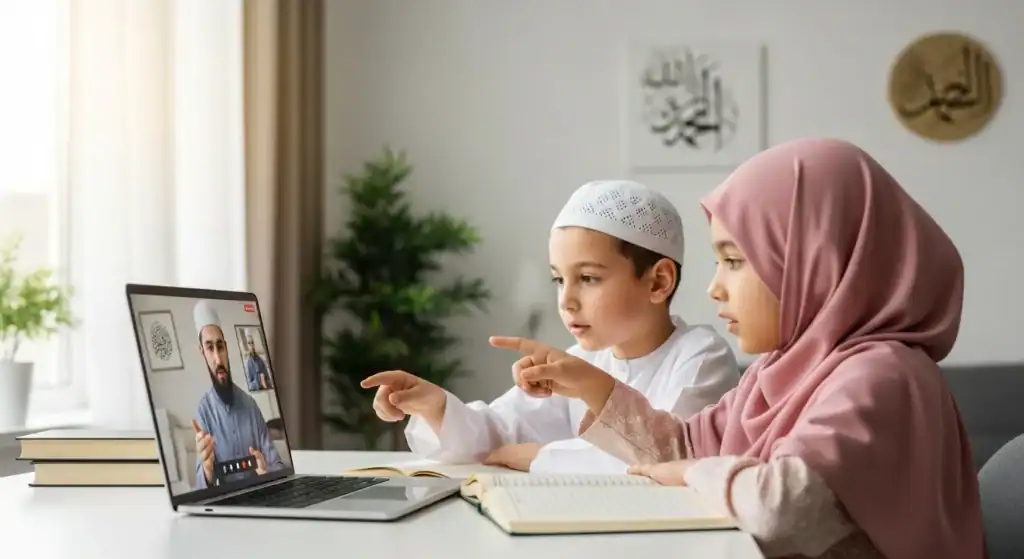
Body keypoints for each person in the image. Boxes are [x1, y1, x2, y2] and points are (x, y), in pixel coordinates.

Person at [489, 139, 986, 558]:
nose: (714, 289)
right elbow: (689, 444)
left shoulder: (881, 374)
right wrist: (592, 384)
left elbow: (781, 504)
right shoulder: (783, 369)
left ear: (813, 260)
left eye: (733, 261)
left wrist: (692, 475)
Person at [361, 180, 740, 474]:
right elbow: (496, 435)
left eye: (588, 278)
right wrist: (435, 407)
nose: (567, 300)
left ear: (658, 282)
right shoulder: (581, 360)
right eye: (559, 279)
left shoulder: (702, 357)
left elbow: (670, 458)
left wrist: (541, 457)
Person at [192, 299, 286, 489]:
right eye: (210, 348)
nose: (218, 358)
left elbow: (278, 465)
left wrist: (266, 473)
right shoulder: (203, 412)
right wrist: (208, 471)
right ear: (202, 353)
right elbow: (200, 489)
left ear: (226, 348)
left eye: (220, 346)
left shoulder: (250, 405)